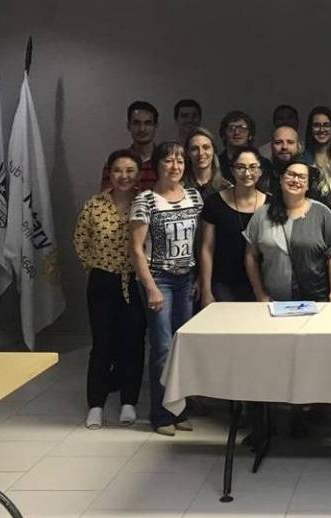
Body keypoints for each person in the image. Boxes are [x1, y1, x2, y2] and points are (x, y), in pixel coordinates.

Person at [128, 141, 204, 436]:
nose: (175, 167)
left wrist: (199, 277)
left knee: (182, 347)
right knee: (162, 347)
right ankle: (160, 415)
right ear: (157, 165)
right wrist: (151, 288)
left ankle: (179, 410)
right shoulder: (145, 200)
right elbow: (136, 250)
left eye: (180, 161)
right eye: (168, 161)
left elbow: (199, 242)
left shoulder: (194, 197)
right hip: (159, 280)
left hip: (187, 279)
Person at [74, 149, 147, 430]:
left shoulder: (146, 202)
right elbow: (80, 241)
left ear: (138, 174)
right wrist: (97, 267)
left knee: (133, 343)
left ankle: (129, 401)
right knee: (102, 344)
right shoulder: (94, 205)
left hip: (136, 281)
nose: (123, 176)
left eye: (130, 171)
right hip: (102, 281)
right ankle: (96, 404)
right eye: (118, 170)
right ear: (109, 173)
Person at [244, 160, 331, 303]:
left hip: (316, 300)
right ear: (281, 179)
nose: (295, 180)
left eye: (302, 177)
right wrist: (259, 293)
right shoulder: (262, 214)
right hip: (273, 301)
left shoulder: (322, 213)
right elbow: (250, 256)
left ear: (308, 185)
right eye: (291, 174)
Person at [199, 146, 267, 306]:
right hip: (223, 282)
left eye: (253, 167)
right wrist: (206, 290)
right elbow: (207, 248)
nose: (247, 173)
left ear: (260, 171)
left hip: (260, 282)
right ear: (232, 170)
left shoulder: (270, 204)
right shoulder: (214, 202)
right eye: (240, 167)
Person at [101, 101, 159, 191]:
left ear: (156, 126)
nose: (142, 129)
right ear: (128, 126)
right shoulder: (114, 164)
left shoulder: (167, 163)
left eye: (147, 123)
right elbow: (105, 197)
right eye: (136, 123)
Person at [218, 110, 273, 176]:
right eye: (231, 128)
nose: (237, 132)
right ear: (224, 135)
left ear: (250, 135)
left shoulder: (264, 164)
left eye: (242, 128)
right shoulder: (216, 164)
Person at [183, 127, 229, 198]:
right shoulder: (179, 187)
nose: (201, 153)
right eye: (194, 149)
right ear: (188, 153)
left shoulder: (227, 189)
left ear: (214, 150)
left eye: (206, 147)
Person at [303, 106, 331, 177]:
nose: (321, 130)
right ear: (310, 129)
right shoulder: (303, 158)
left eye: (326, 125)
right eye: (316, 125)